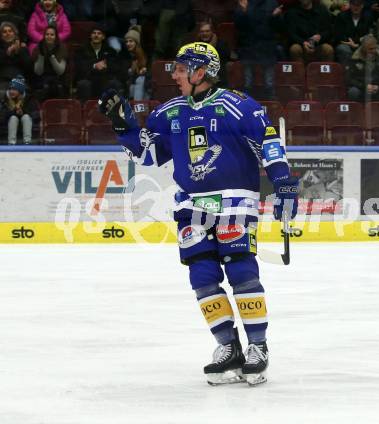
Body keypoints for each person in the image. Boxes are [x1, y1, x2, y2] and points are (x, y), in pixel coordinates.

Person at [98, 42, 298, 386]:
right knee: (202, 275)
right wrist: (123, 125)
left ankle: (258, 347)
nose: (174, 75)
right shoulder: (169, 112)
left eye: (180, 68)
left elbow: (268, 143)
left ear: (199, 71)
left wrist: (283, 182)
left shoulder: (238, 106)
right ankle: (228, 347)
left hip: (235, 200)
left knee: (241, 271)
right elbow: (149, 154)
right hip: (191, 203)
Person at [234, 0, 283, 100]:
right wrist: (243, 12)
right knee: (248, 83)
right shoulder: (245, 2)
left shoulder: (272, 3)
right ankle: (247, 106)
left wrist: (276, 17)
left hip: (267, 45)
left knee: (269, 83)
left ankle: (271, 107)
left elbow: (279, 27)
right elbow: (239, 26)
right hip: (249, 46)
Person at [74, 24, 123, 102]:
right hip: (88, 79)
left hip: (105, 79)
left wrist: (106, 66)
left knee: (114, 83)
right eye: (94, 33)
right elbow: (80, 67)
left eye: (99, 33)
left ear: (103, 37)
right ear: (90, 36)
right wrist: (94, 66)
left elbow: (116, 67)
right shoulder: (81, 50)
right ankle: (85, 111)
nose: (96, 35)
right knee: (83, 84)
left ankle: (114, 111)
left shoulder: (110, 51)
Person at [346, 34, 379, 101]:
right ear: (363, 48)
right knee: (353, 93)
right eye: (370, 49)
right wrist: (364, 86)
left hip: (378, 89)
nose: (374, 51)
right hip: (361, 89)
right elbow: (349, 78)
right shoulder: (354, 59)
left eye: (375, 48)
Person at [31, 24, 68, 101]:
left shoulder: (62, 48)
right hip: (41, 78)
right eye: (47, 34)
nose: (49, 37)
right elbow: (38, 72)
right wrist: (41, 55)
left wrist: (51, 55)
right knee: (43, 86)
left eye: (52, 35)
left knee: (57, 86)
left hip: (58, 78)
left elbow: (60, 71)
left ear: (56, 36)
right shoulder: (38, 47)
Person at [0, 75, 39, 145]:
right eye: (10, 89)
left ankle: (27, 142)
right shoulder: (5, 100)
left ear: (20, 91)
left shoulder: (29, 98)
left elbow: (36, 116)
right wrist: (14, 112)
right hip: (10, 123)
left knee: (26, 117)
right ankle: (11, 142)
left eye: (14, 89)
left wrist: (23, 112)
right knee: (13, 118)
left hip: (27, 122)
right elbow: (2, 117)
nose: (11, 91)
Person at [334, 0, 374, 65]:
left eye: (358, 5)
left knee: (374, 48)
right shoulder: (341, 16)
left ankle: (368, 73)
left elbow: (370, 35)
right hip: (345, 44)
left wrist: (358, 44)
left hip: (362, 44)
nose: (356, 7)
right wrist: (351, 43)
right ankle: (348, 72)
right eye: (354, 4)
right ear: (350, 4)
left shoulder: (368, 17)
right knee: (343, 49)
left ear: (362, 5)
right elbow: (338, 36)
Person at [0, 21, 32, 98]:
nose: (8, 33)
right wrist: (7, 53)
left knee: (25, 96)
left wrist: (20, 52)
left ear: (14, 34)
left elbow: (29, 68)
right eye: (4, 32)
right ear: (1, 36)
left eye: (10, 31)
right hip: (3, 81)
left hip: (20, 80)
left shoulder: (23, 48)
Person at [196, 21, 230, 88]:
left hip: (219, 83)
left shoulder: (221, 45)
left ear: (212, 32)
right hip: (202, 84)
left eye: (207, 31)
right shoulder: (196, 47)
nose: (204, 33)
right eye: (202, 31)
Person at [120, 25, 149, 100]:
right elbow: (122, 73)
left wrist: (145, 71)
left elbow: (151, 72)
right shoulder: (123, 55)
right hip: (129, 83)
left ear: (136, 42)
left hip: (145, 85)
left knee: (141, 80)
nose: (128, 44)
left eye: (131, 41)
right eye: (126, 41)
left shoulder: (144, 55)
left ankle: (138, 105)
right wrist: (130, 71)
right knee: (134, 85)